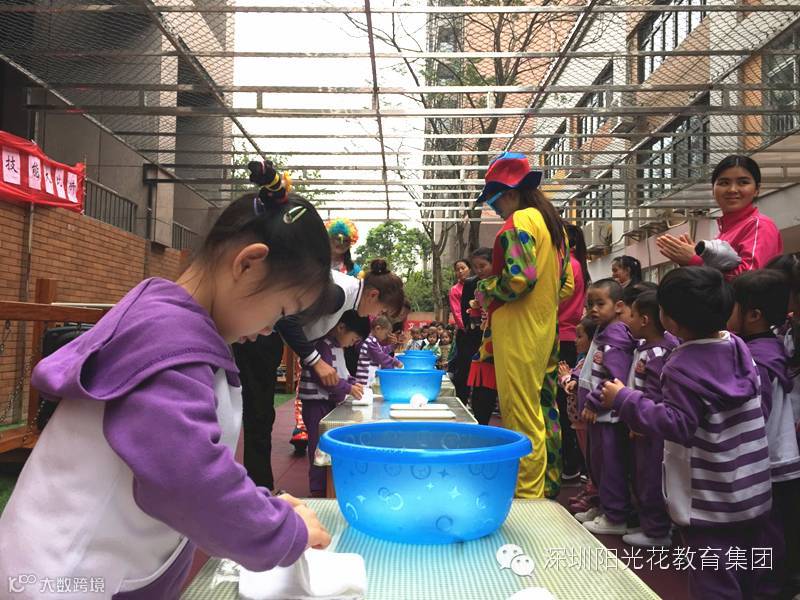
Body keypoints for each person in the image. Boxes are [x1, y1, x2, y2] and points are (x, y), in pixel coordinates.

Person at [0, 192, 333, 598]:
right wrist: (283, 531)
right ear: (247, 264)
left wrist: (264, 507)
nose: (269, 330)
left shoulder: (172, 322)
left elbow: (193, 460)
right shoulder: (170, 340)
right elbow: (189, 482)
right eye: (280, 311)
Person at [601, 267, 771, 600]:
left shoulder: (682, 366)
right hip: (751, 489)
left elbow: (677, 424)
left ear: (670, 321)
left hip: (710, 502)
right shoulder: (737, 346)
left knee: (714, 585)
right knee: (748, 575)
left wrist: (625, 399)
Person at [474, 152, 574, 499]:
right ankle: (546, 487)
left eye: (494, 199)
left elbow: (519, 280)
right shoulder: (554, 227)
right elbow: (566, 286)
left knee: (521, 416)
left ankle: (528, 497)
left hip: (518, 334)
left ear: (511, 193)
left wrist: (486, 289)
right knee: (545, 410)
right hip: (545, 331)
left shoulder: (519, 222)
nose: (494, 208)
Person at [728, 269, 799, 598]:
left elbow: (755, 413)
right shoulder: (770, 346)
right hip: (775, 457)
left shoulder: (756, 358)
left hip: (768, 459)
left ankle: (767, 590)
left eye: (732, 305)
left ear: (753, 315)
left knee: (765, 531)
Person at [656, 155, 783, 280]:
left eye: (743, 182)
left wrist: (696, 261)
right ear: (713, 189)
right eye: (724, 183)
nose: (732, 189)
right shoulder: (723, 232)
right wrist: (692, 261)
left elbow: (750, 280)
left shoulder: (759, 225)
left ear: (757, 189)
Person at [576, 278, 637, 534]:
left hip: (607, 416)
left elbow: (614, 378)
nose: (593, 309)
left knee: (611, 466)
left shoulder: (616, 336)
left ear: (619, 306)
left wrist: (593, 402)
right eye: (590, 303)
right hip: (597, 416)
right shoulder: (603, 331)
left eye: (600, 304)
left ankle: (615, 515)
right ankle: (604, 507)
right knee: (598, 465)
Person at [619, 290, 677, 548]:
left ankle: (656, 531)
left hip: (651, 428)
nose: (627, 320)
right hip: (643, 423)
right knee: (642, 475)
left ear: (644, 320)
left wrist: (641, 420)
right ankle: (650, 524)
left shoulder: (657, 353)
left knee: (651, 477)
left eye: (631, 315)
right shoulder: (644, 347)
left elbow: (656, 393)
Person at [300, 310, 367, 497]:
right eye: (353, 339)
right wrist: (348, 388)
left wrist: (353, 382)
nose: (352, 343)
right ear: (341, 327)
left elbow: (341, 373)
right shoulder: (324, 345)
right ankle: (317, 489)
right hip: (316, 404)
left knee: (327, 445)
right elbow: (327, 380)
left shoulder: (337, 347)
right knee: (318, 447)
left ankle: (327, 485)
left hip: (327, 403)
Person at [557, 224, 590, 481]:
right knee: (565, 403)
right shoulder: (577, 265)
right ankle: (572, 462)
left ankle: (571, 463)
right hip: (566, 336)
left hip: (561, 336)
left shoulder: (568, 266)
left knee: (565, 404)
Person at [557, 317, 598, 515]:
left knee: (592, 460)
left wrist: (566, 377)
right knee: (588, 458)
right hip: (578, 421)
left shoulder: (591, 361)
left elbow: (576, 385)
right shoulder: (583, 360)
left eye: (580, 336)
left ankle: (594, 496)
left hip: (585, 421)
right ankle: (590, 493)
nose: (575, 341)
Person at [458, 247, 494, 411]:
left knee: (488, 383)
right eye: (475, 267)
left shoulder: (501, 284)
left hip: (495, 338)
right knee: (467, 375)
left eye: (483, 266)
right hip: (474, 337)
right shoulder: (471, 283)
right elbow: (464, 310)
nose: (479, 270)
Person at [354, 315, 403, 387]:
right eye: (386, 334)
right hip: (365, 380)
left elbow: (381, 350)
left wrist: (392, 347)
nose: (386, 337)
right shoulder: (370, 342)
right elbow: (381, 357)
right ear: (378, 329)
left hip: (369, 378)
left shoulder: (374, 341)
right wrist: (395, 362)